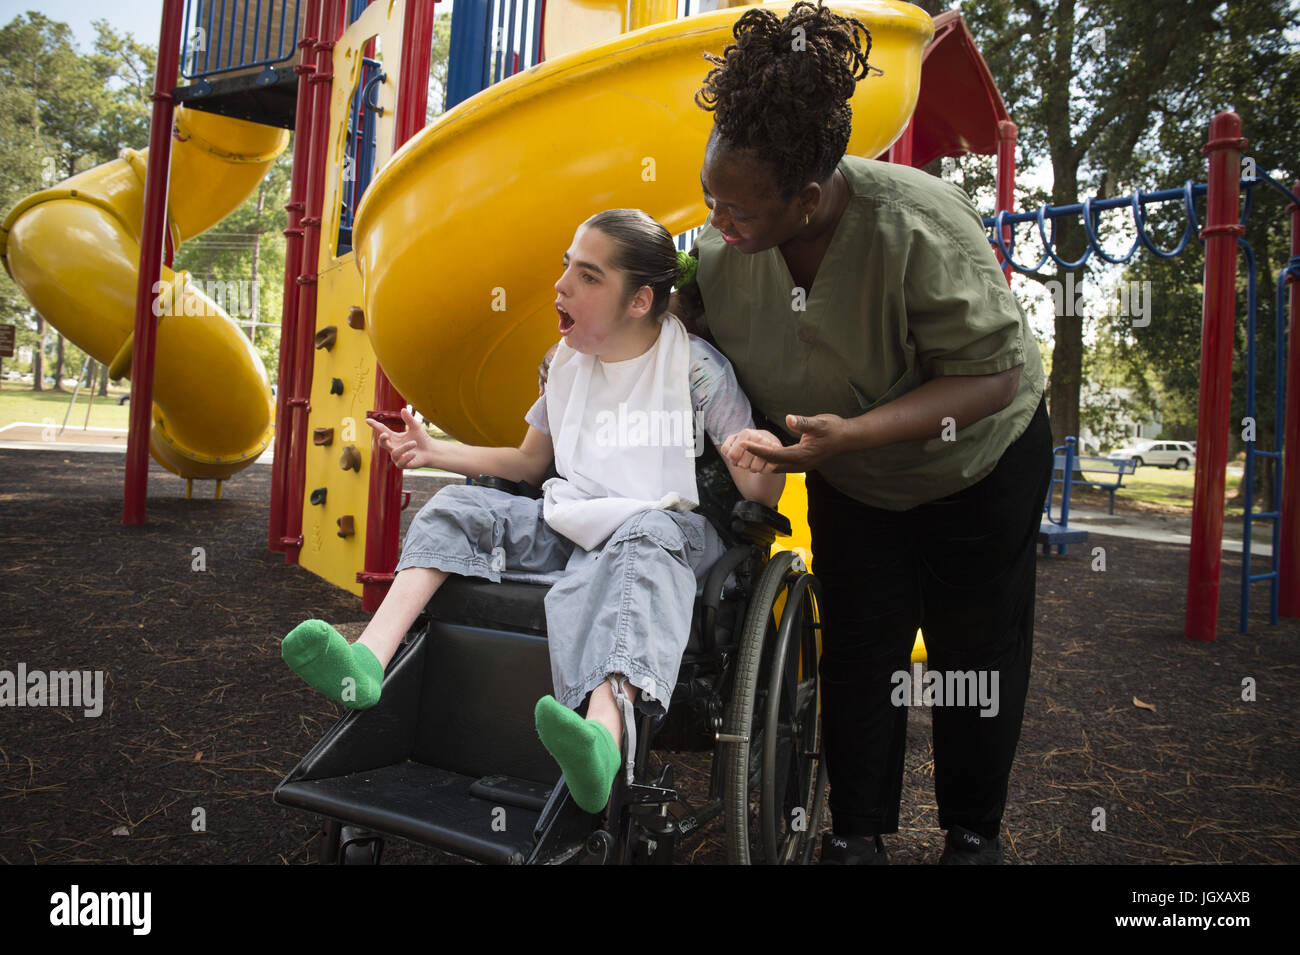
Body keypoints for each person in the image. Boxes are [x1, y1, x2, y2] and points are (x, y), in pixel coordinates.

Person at [672, 1, 1053, 864]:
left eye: (736, 209)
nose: (717, 223)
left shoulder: (916, 225)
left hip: (977, 464)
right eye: (710, 199)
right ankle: (854, 833)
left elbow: (989, 376)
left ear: (808, 198)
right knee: (857, 645)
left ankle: (971, 831)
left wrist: (855, 434)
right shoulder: (728, 249)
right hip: (852, 475)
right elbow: (694, 319)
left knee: (972, 648)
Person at [280, 208, 785, 814]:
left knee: (641, 537)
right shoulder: (564, 364)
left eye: (588, 275)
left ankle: (601, 737)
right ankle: (368, 659)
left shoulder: (696, 369)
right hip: (571, 521)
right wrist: (435, 450)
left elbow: (760, 499)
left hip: (664, 528)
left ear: (638, 300)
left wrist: (759, 463)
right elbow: (527, 463)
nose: (562, 285)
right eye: (566, 266)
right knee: (459, 507)